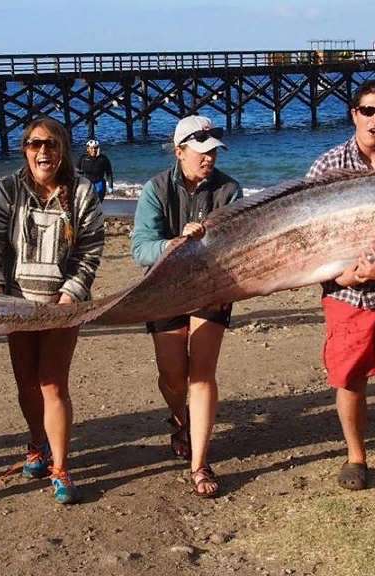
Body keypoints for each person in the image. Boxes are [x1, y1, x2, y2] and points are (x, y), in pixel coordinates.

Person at [0, 116, 104, 505]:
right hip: (19, 305)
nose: (43, 151)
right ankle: (37, 443)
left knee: (53, 384)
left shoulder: (82, 192)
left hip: (63, 308)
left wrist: (69, 297)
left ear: (63, 148)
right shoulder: (7, 190)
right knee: (26, 383)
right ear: (25, 149)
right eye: (35, 144)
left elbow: (89, 250)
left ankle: (61, 467)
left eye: (50, 144)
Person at [305, 79, 375, 496]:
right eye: (368, 111)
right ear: (354, 113)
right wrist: (342, 277)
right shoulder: (327, 166)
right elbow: (306, 237)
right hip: (344, 293)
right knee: (348, 378)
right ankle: (356, 456)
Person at [130, 116, 242, 498]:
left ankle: (200, 462)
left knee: (202, 373)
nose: (208, 158)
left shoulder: (230, 189)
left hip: (211, 287)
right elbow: (140, 248)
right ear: (180, 152)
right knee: (173, 376)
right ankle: (180, 417)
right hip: (165, 287)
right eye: (201, 151)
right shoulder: (155, 190)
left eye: (212, 151)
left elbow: (238, 242)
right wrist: (174, 244)